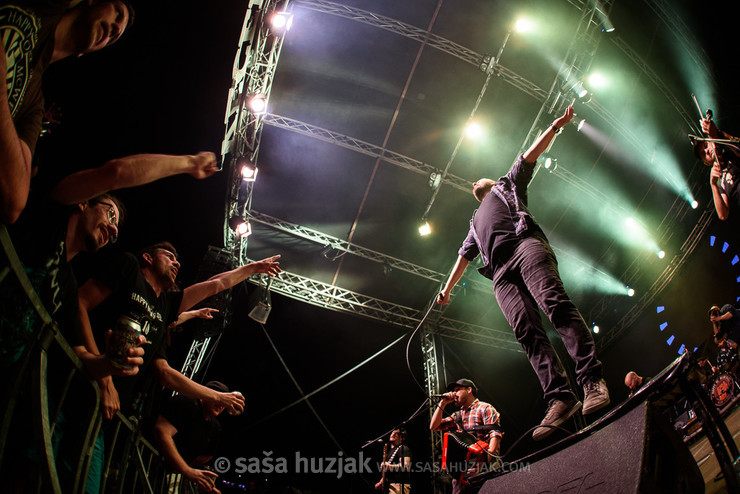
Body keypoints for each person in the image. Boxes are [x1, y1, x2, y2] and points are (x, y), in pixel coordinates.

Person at [437, 106, 609, 441]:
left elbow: (529, 156)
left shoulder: (506, 185)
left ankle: (591, 381)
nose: (474, 181)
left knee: (556, 306)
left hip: (524, 245)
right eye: (472, 184)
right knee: (527, 333)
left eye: (478, 179)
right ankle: (560, 397)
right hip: (500, 273)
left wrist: (556, 126)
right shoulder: (473, 223)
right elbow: (462, 257)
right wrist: (447, 290)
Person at [1, 0, 134, 224]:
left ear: (84, 53)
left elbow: (14, 203)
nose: (116, 28)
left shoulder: (33, 104)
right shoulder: (45, 9)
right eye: (117, 13)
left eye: (115, 37)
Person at [154, 380, 232, 494]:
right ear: (206, 395)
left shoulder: (215, 426)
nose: (221, 405)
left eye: (224, 403)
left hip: (171, 475)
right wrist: (186, 470)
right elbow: (161, 431)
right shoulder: (187, 403)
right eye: (218, 399)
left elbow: (207, 455)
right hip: (150, 462)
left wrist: (196, 475)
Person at [430, 379, 501, 493]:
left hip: (486, 463)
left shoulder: (485, 408)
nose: (454, 394)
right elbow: (434, 426)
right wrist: (442, 403)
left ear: (469, 390)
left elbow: (495, 435)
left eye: (457, 390)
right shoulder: (458, 415)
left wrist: (483, 463)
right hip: (464, 469)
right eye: (453, 391)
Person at [694, 117, 740, 221]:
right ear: (706, 163)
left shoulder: (727, 148)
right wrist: (713, 184)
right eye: (703, 153)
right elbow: (723, 215)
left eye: (706, 145)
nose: (706, 150)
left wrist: (718, 134)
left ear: (711, 142)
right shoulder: (720, 181)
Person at [374, 428, 411, 494]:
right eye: (392, 432)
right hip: (389, 486)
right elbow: (388, 471)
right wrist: (381, 481)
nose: (393, 434)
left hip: (398, 486)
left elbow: (405, 466)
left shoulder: (403, 449)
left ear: (402, 438)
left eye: (396, 433)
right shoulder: (389, 451)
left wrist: (389, 466)